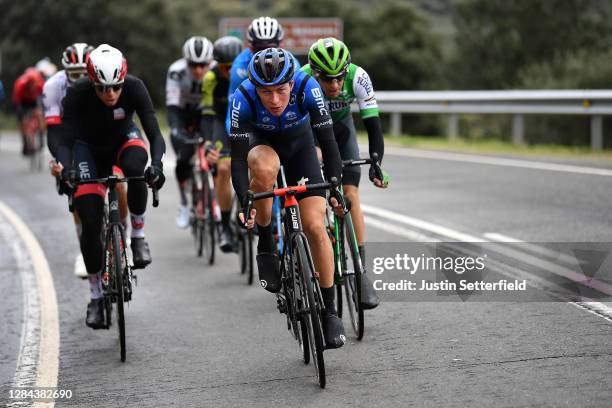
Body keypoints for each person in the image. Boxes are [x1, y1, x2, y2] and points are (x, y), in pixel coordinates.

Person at [229, 47, 346, 348]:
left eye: (281, 90)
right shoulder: (242, 98)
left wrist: (334, 187)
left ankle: (331, 312)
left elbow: (328, 142)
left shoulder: (309, 88)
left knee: (316, 227)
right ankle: (266, 237)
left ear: (291, 84)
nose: (275, 100)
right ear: (256, 88)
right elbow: (239, 160)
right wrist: (245, 199)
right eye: (266, 93)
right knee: (266, 169)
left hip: (300, 146)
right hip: (262, 144)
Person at [57, 44, 166, 329]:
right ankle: (95, 295)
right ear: (91, 82)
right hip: (87, 150)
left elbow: (154, 131)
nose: (110, 94)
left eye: (115, 87)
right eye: (102, 88)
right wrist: (67, 168)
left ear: (123, 81)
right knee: (90, 218)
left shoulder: (135, 87)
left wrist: (157, 165)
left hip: (122, 140)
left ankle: (138, 236)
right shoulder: (78, 92)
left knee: (137, 170)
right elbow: (63, 138)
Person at [302, 37, 388, 310]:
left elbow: (373, 125)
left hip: (342, 131)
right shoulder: (301, 80)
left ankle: (361, 270)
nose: (335, 85)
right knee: (315, 195)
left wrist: (376, 162)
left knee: (351, 193)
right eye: (327, 80)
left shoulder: (359, 77)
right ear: (315, 74)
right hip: (310, 133)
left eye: (339, 78)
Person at [43, 43, 130, 279]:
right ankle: (86, 245)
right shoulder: (54, 87)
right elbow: (54, 132)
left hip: (100, 141)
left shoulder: (101, 85)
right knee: (78, 195)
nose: (80, 78)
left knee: (120, 183)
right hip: (68, 143)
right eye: (74, 74)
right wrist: (62, 163)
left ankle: (123, 233)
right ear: (64, 72)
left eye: (84, 72)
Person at [166, 36, 214, 228]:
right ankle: (185, 203)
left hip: (206, 113)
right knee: (184, 157)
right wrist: (177, 131)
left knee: (215, 156)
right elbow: (172, 107)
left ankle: (212, 198)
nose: (198, 70)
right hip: (183, 113)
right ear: (186, 61)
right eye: (193, 65)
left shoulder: (217, 70)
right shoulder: (176, 71)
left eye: (203, 65)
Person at [201, 36, 243, 252]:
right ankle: (225, 225)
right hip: (219, 122)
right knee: (224, 168)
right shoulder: (210, 77)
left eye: (232, 66)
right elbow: (207, 113)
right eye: (224, 67)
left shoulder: (247, 72)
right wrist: (208, 142)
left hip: (244, 121)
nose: (228, 71)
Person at [227, 16, 301, 102]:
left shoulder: (292, 63)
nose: (265, 54)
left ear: (281, 45)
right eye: (259, 49)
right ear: (250, 47)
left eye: (271, 48)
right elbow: (233, 102)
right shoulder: (239, 66)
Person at [12, 66, 45, 155]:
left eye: (33, 84)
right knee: (23, 121)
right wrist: (21, 115)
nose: (32, 86)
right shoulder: (20, 84)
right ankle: (25, 143)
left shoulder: (40, 83)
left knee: (40, 114)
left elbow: (44, 96)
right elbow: (16, 102)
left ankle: (41, 135)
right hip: (22, 101)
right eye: (30, 84)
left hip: (34, 101)